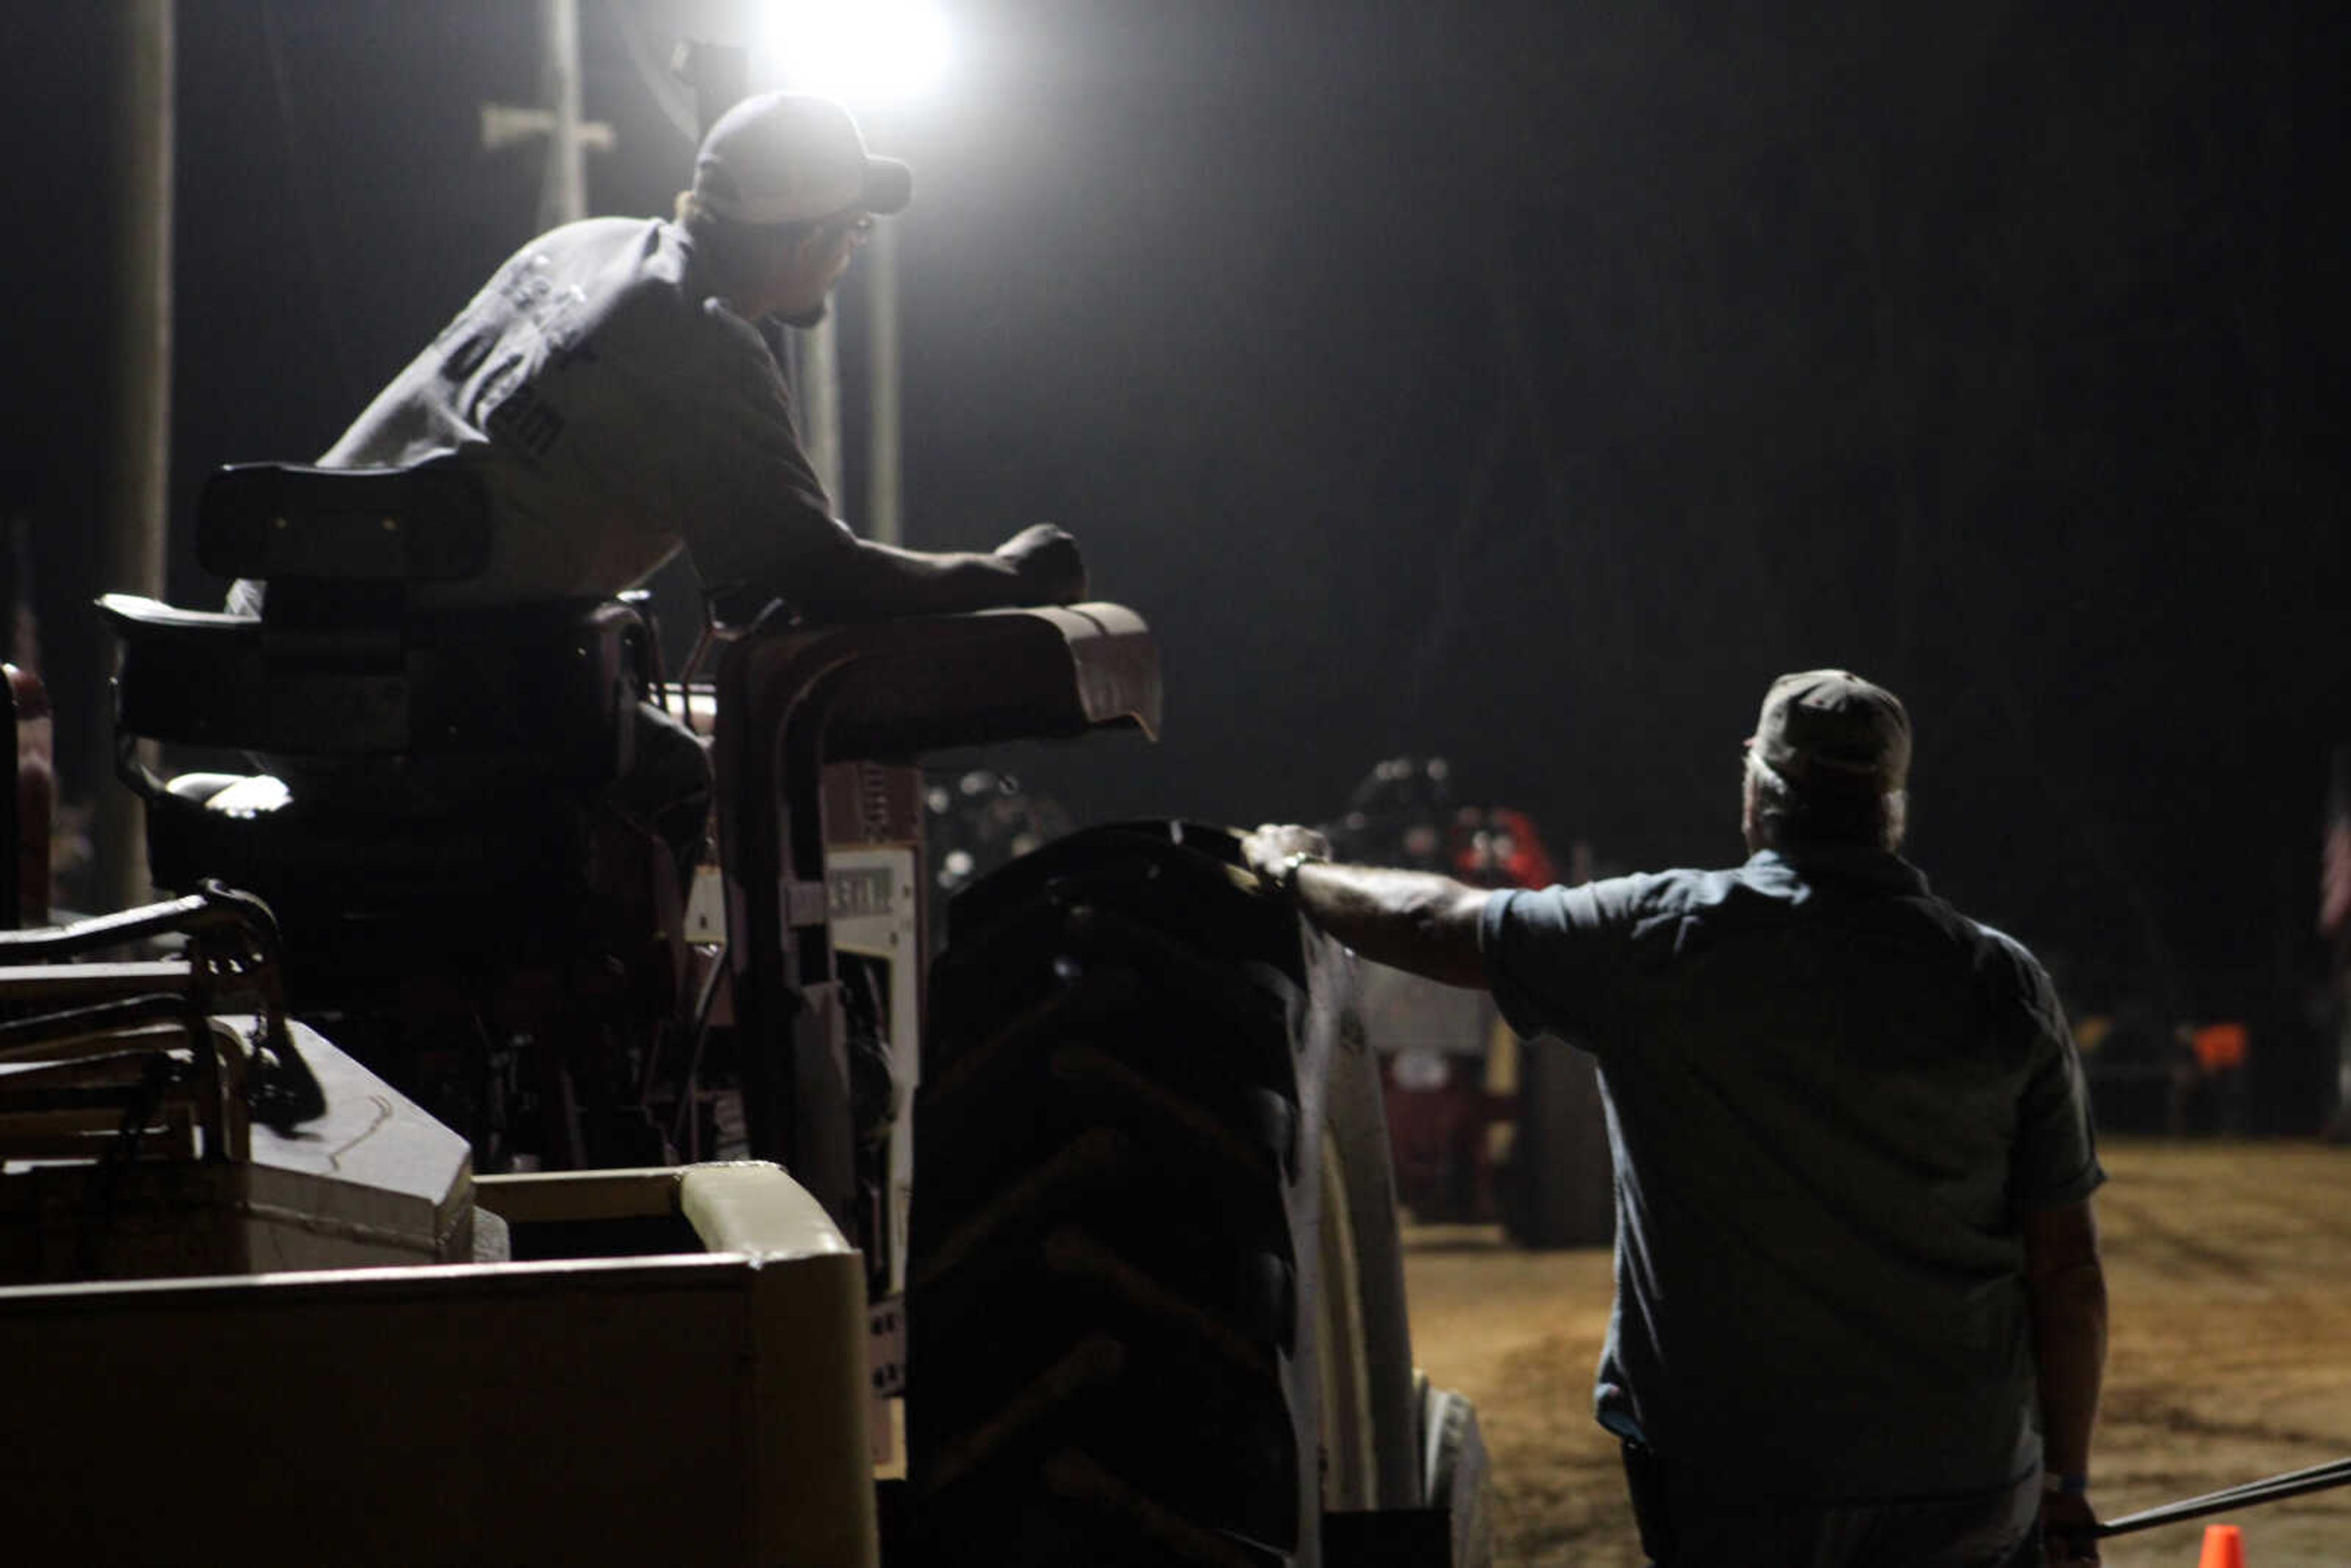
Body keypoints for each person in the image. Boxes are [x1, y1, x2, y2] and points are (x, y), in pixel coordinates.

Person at [1243, 670, 2108, 1567]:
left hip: (1737, 1483)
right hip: (1963, 1477)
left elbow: (1431, 918)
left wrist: (1294, 870)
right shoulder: (2003, 984)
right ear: (1892, 808)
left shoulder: (1662, 938)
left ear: (1758, 792)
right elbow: (2071, 1271)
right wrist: (2068, 1489)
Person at [228, 92, 1084, 849]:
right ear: (802, 236)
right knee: (677, 774)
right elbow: (823, 574)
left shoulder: (581, 248)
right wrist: (1008, 573)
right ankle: (621, 1030)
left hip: (272, 654)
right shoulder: (702, 340)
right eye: (852, 230)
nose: (852, 251)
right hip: (387, 707)